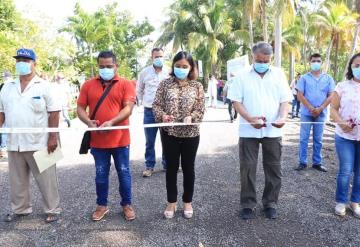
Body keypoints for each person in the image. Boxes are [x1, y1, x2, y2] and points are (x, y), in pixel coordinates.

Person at [228, 42, 292, 220]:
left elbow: (285, 100)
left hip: (273, 130)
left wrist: (283, 117)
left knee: (274, 168)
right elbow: (236, 101)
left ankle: (270, 203)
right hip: (249, 130)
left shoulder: (279, 74)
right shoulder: (241, 76)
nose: (262, 63)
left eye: (266, 60)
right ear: (252, 56)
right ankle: (248, 204)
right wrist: (249, 119)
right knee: (247, 168)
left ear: (271, 58)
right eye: (259, 60)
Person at [0, 48, 61, 223]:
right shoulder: (7, 87)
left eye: (26, 61)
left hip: (40, 141)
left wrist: (52, 137)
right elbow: (1, 113)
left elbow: (54, 112)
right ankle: (20, 209)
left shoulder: (45, 86)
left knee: (47, 179)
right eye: (19, 60)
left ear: (34, 63)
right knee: (17, 180)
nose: (22, 63)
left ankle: (53, 210)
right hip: (14, 141)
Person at [77, 51, 137, 221]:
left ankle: (127, 204)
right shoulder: (88, 85)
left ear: (116, 66)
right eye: (102, 66)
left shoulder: (126, 84)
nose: (105, 69)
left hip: (120, 139)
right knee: (101, 174)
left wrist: (111, 122)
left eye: (109, 66)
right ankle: (101, 205)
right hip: (98, 142)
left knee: (124, 173)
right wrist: (88, 122)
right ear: (98, 66)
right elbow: (80, 108)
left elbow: (128, 108)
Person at [152, 51, 205, 219]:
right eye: (177, 66)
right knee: (171, 169)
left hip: (191, 134)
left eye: (184, 66)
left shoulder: (197, 86)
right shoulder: (165, 85)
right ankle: (171, 202)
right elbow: (156, 105)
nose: (180, 69)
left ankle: (187, 202)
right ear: (173, 66)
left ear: (190, 68)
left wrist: (193, 117)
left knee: (189, 168)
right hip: (170, 133)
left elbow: (201, 108)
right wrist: (163, 116)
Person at [331, 53, 360, 217]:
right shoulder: (342, 86)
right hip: (344, 136)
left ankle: (355, 202)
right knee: (346, 170)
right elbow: (333, 109)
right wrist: (342, 123)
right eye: (356, 65)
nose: (359, 68)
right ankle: (341, 201)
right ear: (351, 67)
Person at [295, 53, 335, 172]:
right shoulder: (304, 78)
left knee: (318, 139)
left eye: (318, 61)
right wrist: (311, 108)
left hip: (321, 113)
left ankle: (317, 162)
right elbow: (299, 95)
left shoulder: (328, 78)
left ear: (322, 63)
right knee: (304, 138)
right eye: (313, 61)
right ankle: (302, 162)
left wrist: (321, 108)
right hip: (306, 113)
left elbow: (331, 95)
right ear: (310, 63)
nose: (316, 63)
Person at [137, 48, 169, 177]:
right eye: (156, 57)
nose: (159, 58)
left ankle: (168, 164)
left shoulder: (169, 72)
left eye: (161, 56)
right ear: (152, 58)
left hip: (165, 111)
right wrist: (141, 103)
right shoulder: (144, 73)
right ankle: (149, 166)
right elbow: (139, 90)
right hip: (149, 112)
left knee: (167, 139)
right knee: (150, 141)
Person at [0, 71, 12, 159]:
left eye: (4, 76)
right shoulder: (2, 85)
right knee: (4, 129)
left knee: (4, 129)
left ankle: (4, 149)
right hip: (3, 110)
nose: (4, 78)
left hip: (8, 110)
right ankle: (3, 149)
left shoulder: (11, 85)